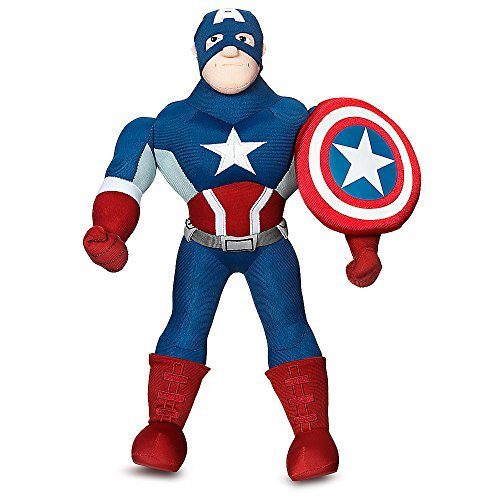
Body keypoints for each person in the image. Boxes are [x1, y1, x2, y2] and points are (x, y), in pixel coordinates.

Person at [83, 8, 381, 481]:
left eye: (242, 40)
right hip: (201, 246)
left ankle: (313, 434)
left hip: (270, 245)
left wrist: (363, 244)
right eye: (217, 40)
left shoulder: (297, 119)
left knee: (289, 328)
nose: (229, 50)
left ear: (261, 50)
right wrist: (110, 230)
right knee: (185, 326)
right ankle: (163, 428)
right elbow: (125, 181)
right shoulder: (166, 124)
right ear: (198, 50)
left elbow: (345, 180)